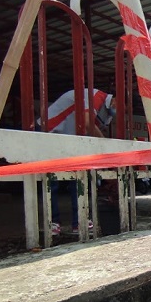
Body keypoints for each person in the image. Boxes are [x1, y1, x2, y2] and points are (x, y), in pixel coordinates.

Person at [38, 88, 115, 235]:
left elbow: (96, 130)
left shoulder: (106, 113)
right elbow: (87, 124)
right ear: (115, 99)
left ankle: (79, 222)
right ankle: (53, 223)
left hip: (71, 141)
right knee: (51, 181)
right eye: (120, 107)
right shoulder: (94, 96)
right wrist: (106, 146)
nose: (118, 111)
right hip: (51, 131)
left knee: (78, 179)